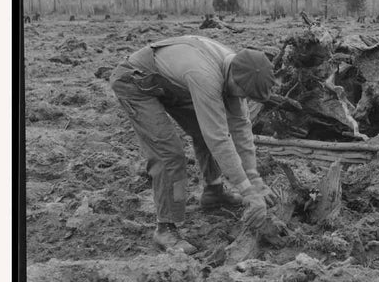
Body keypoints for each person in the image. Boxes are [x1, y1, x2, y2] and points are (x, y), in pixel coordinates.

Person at [109, 35, 276, 250]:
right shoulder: (205, 76)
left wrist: (255, 181)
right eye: (243, 93)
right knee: (169, 154)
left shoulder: (234, 70)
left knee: (203, 129)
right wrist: (248, 192)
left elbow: (241, 129)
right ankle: (165, 229)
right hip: (135, 82)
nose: (242, 98)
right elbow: (218, 138)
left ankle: (214, 192)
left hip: (170, 83)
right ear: (234, 77)